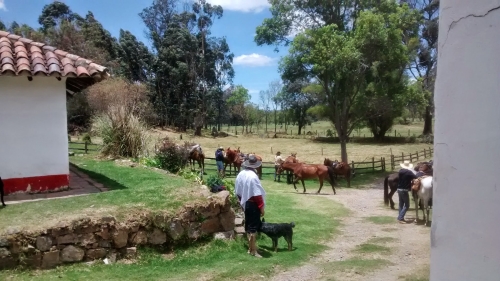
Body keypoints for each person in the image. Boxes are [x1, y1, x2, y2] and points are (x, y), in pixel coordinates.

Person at [235, 154, 266, 258]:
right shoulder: (253, 177)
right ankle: (253, 250)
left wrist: (241, 201)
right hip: (253, 205)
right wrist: (261, 208)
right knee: (253, 229)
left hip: (246, 203)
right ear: (255, 165)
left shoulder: (241, 174)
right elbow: (257, 195)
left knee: (248, 226)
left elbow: (238, 191)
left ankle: (250, 248)